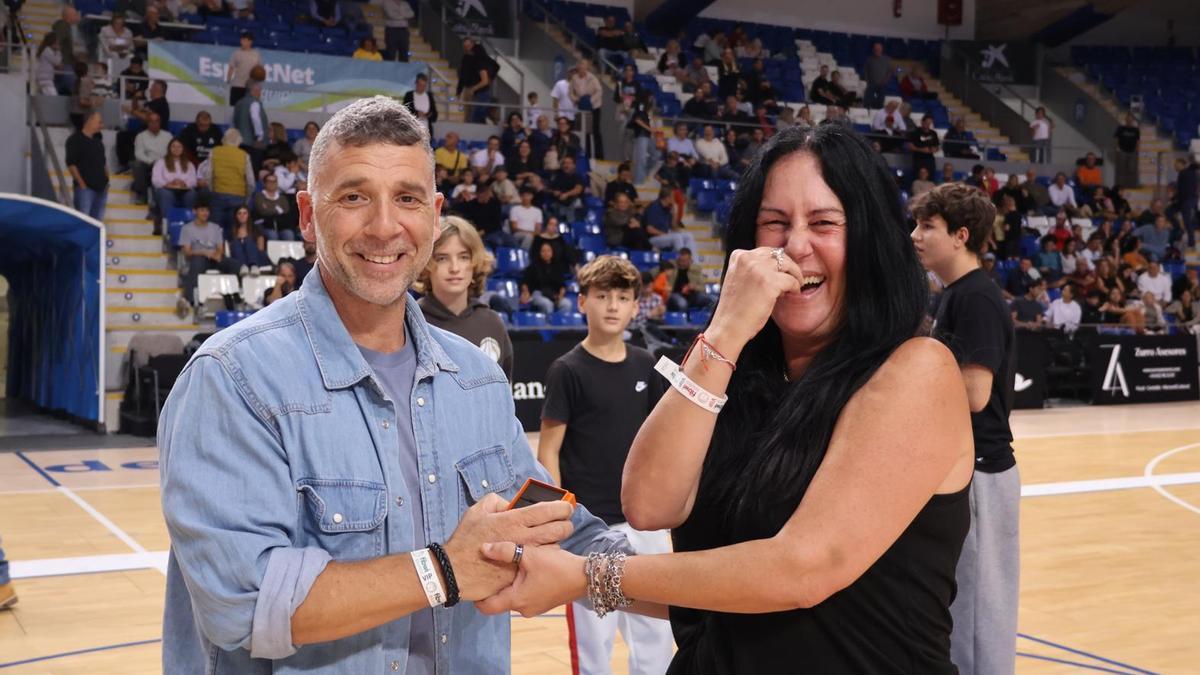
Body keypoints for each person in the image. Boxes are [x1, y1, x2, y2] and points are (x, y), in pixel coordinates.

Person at [471, 123, 973, 675]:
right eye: (774, 223)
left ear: (871, 240)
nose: (794, 246)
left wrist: (588, 576)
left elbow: (802, 570)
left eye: (824, 223)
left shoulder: (917, 370)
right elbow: (650, 506)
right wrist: (726, 332)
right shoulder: (734, 371)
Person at [160, 97, 630, 673]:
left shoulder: (476, 378)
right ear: (307, 215)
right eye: (354, 197)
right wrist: (445, 570)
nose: (385, 227)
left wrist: (698, 594)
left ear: (434, 215)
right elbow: (244, 603)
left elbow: (564, 533)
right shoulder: (233, 376)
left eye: (407, 199)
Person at [536, 256, 675, 675]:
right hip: (589, 527)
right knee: (593, 643)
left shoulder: (646, 365)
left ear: (635, 306)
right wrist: (556, 521)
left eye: (622, 297)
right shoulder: (567, 370)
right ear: (582, 302)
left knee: (655, 636)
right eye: (602, 296)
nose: (613, 305)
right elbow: (549, 452)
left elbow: (662, 443)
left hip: (644, 524)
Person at [908, 182, 1019, 675]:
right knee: (960, 609)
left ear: (960, 235)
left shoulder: (976, 298)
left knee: (978, 617)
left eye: (927, 226)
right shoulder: (955, 294)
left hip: (982, 473)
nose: (915, 236)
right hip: (963, 470)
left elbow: (974, 393)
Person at [417, 216, 514, 380]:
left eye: (464, 257)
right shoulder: (411, 323)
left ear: (475, 262)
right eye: (442, 258)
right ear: (426, 264)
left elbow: (505, 390)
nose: (454, 268)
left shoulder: (492, 323)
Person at [177, 200, 242, 309]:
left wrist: (217, 254)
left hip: (214, 257)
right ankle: (189, 299)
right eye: (202, 210)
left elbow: (220, 247)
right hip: (197, 257)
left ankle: (237, 296)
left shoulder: (215, 228)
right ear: (195, 212)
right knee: (197, 265)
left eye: (207, 211)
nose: (205, 213)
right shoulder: (187, 229)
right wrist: (204, 252)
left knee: (234, 264)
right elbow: (187, 252)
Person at [201, 128, 255, 232]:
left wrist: (213, 189)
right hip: (238, 196)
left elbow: (208, 175)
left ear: (223, 139)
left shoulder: (214, 151)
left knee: (214, 229)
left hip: (218, 194)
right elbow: (250, 181)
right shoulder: (244, 155)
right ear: (239, 141)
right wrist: (246, 197)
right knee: (234, 230)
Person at [66, 111, 109, 221]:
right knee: (83, 221)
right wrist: (82, 185)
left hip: (101, 188)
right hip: (86, 189)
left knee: (97, 223)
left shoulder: (98, 142)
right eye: (99, 122)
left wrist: (106, 181)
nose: (101, 125)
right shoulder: (74, 140)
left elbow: (103, 163)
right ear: (90, 120)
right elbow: (71, 164)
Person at [152, 138, 198, 229]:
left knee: (192, 194)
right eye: (173, 146)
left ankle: (189, 222)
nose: (176, 149)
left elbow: (193, 181)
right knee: (165, 194)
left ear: (183, 149)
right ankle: (167, 224)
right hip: (166, 190)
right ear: (169, 148)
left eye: (179, 146)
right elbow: (155, 179)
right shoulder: (161, 162)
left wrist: (184, 183)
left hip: (184, 191)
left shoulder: (189, 164)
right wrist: (167, 184)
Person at [133, 111, 171, 206]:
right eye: (151, 121)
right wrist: (151, 161)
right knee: (137, 165)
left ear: (160, 122)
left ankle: (161, 198)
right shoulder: (141, 136)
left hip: (165, 164)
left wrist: (161, 162)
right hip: (148, 163)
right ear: (147, 123)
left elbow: (172, 152)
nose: (154, 124)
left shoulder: (168, 136)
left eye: (156, 121)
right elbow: (138, 153)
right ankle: (142, 195)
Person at [570, 58, 605, 159]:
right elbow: (571, 93)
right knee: (584, 131)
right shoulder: (574, 78)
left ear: (587, 67)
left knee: (595, 130)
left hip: (594, 107)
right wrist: (576, 99)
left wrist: (590, 101)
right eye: (580, 65)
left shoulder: (592, 78)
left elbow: (599, 91)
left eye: (583, 65)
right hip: (582, 108)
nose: (581, 67)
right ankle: (587, 154)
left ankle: (599, 155)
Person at [233, 79, 269, 171]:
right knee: (253, 170)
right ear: (254, 91)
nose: (260, 93)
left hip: (239, 142)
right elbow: (255, 118)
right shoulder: (254, 103)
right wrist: (259, 137)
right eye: (260, 90)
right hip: (253, 145)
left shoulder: (239, 103)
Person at [457, 37, 494, 124]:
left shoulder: (480, 59)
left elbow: (485, 81)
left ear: (473, 46)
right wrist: (459, 90)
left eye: (468, 46)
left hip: (479, 92)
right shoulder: (465, 58)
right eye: (465, 46)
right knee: (468, 117)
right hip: (469, 89)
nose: (466, 48)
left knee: (475, 118)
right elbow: (463, 75)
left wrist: (473, 89)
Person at [253, 172, 297, 240]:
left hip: (281, 226)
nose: (272, 184)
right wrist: (278, 210)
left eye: (274, 181)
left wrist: (269, 208)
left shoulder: (282, 198)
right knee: (273, 235)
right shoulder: (259, 196)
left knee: (289, 234)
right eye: (269, 181)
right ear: (264, 183)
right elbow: (262, 211)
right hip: (265, 225)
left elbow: (286, 211)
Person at [227, 206, 270, 273]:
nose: (242, 216)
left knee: (248, 241)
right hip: (239, 260)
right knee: (236, 243)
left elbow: (261, 249)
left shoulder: (256, 228)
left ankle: (253, 265)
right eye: (239, 213)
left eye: (245, 213)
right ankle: (243, 266)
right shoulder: (231, 231)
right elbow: (231, 249)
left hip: (257, 258)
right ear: (236, 216)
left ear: (248, 215)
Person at [226, 32, 261, 105]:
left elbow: (258, 70)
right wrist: (228, 80)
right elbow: (231, 68)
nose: (242, 42)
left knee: (248, 107)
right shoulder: (236, 53)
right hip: (237, 85)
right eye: (241, 40)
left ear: (250, 42)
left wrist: (257, 85)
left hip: (250, 87)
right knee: (234, 107)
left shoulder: (256, 55)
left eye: (244, 40)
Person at [909, 114, 940, 181]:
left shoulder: (933, 133)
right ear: (922, 122)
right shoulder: (916, 132)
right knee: (917, 177)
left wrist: (934, 149)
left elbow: (937, 147)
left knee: (931, 177)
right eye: (926, 123)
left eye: (929, 123)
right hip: (918, 159)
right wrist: (921, 150)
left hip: (929, 159)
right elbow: (910, 146)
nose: (928, 125)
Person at [1114, 113, 1140, 188]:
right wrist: (1117, 148)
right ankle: (1120, 187)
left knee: (1132, 170)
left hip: (1132, 152)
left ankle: (1131, 186)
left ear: (1132, 120)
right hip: (1122, 151)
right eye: (1128, 119)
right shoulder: (1120, 128)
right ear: (1126, 120)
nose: (1129, 120)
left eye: (1130, 119)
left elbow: (1138, 141)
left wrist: (1136, 150)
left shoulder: (1136, 130)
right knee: (1121, 170)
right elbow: (1116, 138)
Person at [863, 42, 893, 108]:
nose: (877, 50)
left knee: (880, 101)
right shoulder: (869, 60)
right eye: (876, 48)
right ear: (873, 49)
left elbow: (890, 71)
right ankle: (866, 111)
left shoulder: (887, 60)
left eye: (879, 48)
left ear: (882, 49)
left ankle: (879, 111)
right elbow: (866, 71)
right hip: (871, 83)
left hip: (882, 84)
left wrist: (886, 80)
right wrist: (867, 81)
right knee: (868, 100)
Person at [34, 31, 62, 95]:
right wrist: (58, 51)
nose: (58, 44)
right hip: (46, 80)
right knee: (53, 98)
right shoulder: (47, 51)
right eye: (57, 42)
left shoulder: (46, 50)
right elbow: (57, 62)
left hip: (43, 79)